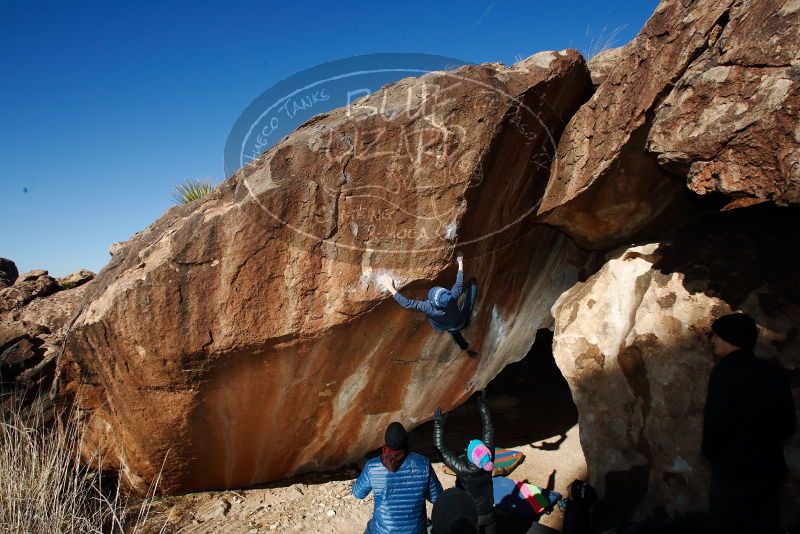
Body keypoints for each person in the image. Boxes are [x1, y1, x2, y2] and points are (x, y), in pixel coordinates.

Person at [701, 312, 796, 534]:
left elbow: (717, 421)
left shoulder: (725, 372)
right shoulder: (771, 371)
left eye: (717, 336)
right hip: (768, 467)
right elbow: (788, 422)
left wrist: (712, 451)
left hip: (734, 470)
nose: (713, 340)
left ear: (730, 338)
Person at [379, 252, 478, 355]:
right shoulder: (452, 297)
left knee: (457, 335)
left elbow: (407, 304)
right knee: (468, 306)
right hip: (460, 320)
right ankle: (472, 285)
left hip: (449, 327)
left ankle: (466, 349)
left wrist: (390, 287)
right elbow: (459, 282)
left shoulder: (428, 307)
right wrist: (460, 262)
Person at [353, 421, 443, 534]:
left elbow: (358, 493)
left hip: (382, 530)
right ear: (405, 440)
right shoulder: (423, 463)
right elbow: (437, 498)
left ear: (386, 442)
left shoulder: (372, 466)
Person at [433, 390, 496, 534]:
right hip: (489, 513)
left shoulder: (464, 469)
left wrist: (439, 426)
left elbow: (440, 450)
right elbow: (489, 429)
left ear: (470, 456)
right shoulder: (489, 459)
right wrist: (483, 408)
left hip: (471, 515)